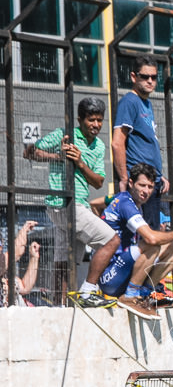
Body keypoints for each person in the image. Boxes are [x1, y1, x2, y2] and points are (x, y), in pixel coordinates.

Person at [24, 97, 120, 308]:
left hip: (76, 205)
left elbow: (98, 181)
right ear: (80, 119)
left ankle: (60, 304)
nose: (96, 125)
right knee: (112, 241)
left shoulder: (99, 146)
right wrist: (58, 155)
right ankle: (88, 290)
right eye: (91, 120)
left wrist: (79, 163)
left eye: (99, 120)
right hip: (64, 203)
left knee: (65, 259)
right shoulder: (63, 134)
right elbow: (29, 152)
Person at [99, 163, 173, 319]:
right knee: (152, 244)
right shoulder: (125, 202)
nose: (146, 191)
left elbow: (96, 203)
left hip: (123, 271)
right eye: (142, 185)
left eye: (150, 187)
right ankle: (130, 296)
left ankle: (142, 295)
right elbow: (151, 238)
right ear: (131, 183)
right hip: (110, 277)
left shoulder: (136, 204)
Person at [112, 54, 166, 233]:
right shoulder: (130, 101)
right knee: (145, 239)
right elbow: (117, 142)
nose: (150, 81)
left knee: (153, 234)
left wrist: (160, 175)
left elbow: (146, 143)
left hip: (153, 181)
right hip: (140, 183)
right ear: (134, 77)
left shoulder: (147, 103)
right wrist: (124, 178)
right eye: (145, 77)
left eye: (154, 77)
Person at [1, 221, 40, 306]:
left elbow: (25, 287)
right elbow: (16, 252)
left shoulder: (4, 273)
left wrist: (34, 258)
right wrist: (24, 230)